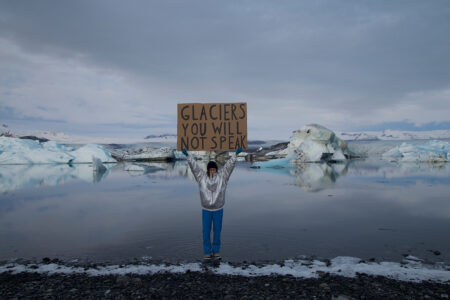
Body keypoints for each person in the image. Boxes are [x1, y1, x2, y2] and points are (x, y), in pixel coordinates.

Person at [182, 147, 243, 260]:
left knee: (217, 232)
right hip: (206, 209)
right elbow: (195, 168)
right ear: (208, 170)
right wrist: (188, 156)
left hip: (218, 209)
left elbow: (229, 167)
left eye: (214, 169)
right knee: (206, 232)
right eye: (211, 169)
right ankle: (207, 252)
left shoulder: (222, 177)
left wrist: (235, 155)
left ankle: (216, 252)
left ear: (216, 169)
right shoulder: (201, 178)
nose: (212, 171)